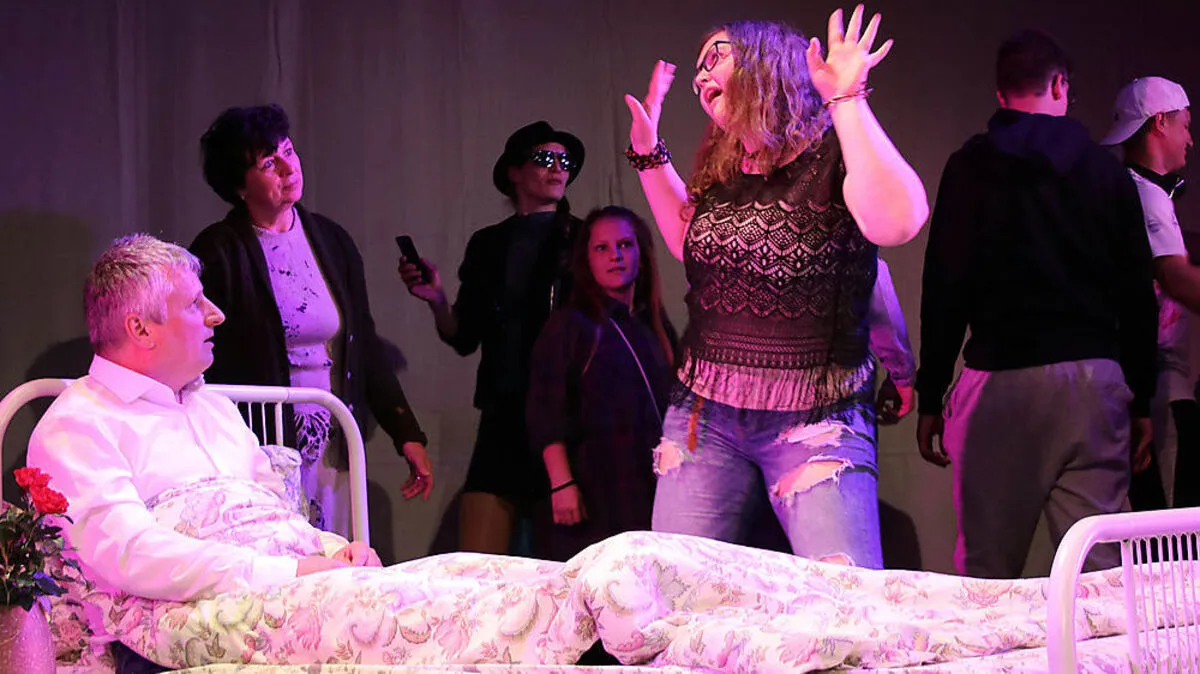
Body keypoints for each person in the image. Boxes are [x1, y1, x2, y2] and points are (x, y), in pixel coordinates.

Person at [621, 6, 928, 568]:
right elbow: (687, 244)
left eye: (715, 58)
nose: (700, 76)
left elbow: (897, 225)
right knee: (674, 590)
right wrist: (648, 153)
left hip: (818, 415)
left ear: (767, 64)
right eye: (697, 68)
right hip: (705, 416)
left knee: (845, 600)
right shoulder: (723, 172)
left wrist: (847, 99)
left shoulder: (834, 155)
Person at [915, 31, 1158, 578]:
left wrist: (931, 393)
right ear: (1060, 85)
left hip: (999, 383)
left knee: (987, 574)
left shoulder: (969, 167)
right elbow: (1136, 294)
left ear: (1001, 95)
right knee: (1100, 572)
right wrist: (1141, 399)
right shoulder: (1106, 172)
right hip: (1093, 383)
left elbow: (945, 285)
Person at [27, 234, 377, 604]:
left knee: (421, 587)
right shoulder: (77, 426)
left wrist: (334, 550)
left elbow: (278, 518)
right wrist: (291, 573)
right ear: (141, 329)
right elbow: (132, 555)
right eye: (195, 303)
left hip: (295, 586)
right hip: (217, 610)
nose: (217, 314)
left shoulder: (216, 408)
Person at [190, 104, 432, 538]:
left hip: (333, 434)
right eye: (268, 163)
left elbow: (363, 343)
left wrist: (406, 433)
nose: (288, 168)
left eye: (288, 151)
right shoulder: (218, 250)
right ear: (239, 186)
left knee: (338, 549)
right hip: (261, 443)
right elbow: (201, 357)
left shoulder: (331, 240)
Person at [399, 121, 585, 555]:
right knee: (480, 558)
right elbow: (464, 336)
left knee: (564, 559)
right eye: (545, 158)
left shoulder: (582, 238)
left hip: (566, 414)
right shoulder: (489, 244)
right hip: (504, 413)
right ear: (514, 172)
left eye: (565, 161)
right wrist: (437, 300)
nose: (558, 168)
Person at [526, 206, 676, 563]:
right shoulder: (570, 325)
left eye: (625, 245)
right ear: (586, 259)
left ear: (641, 253)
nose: (615, 256)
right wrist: (562, 484)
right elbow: (546, 412)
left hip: (649, 489)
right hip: (592, 490)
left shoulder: (654, 326)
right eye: (602, 248)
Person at [1101, 77, 1197, 509]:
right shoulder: (1145, 195)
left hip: (1149, 384)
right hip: (1156, 388)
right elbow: (1176, 279)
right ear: (1160, 122)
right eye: (1185, 126)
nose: (1190, 140)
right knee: (1174, 526)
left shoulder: (1136, 189)